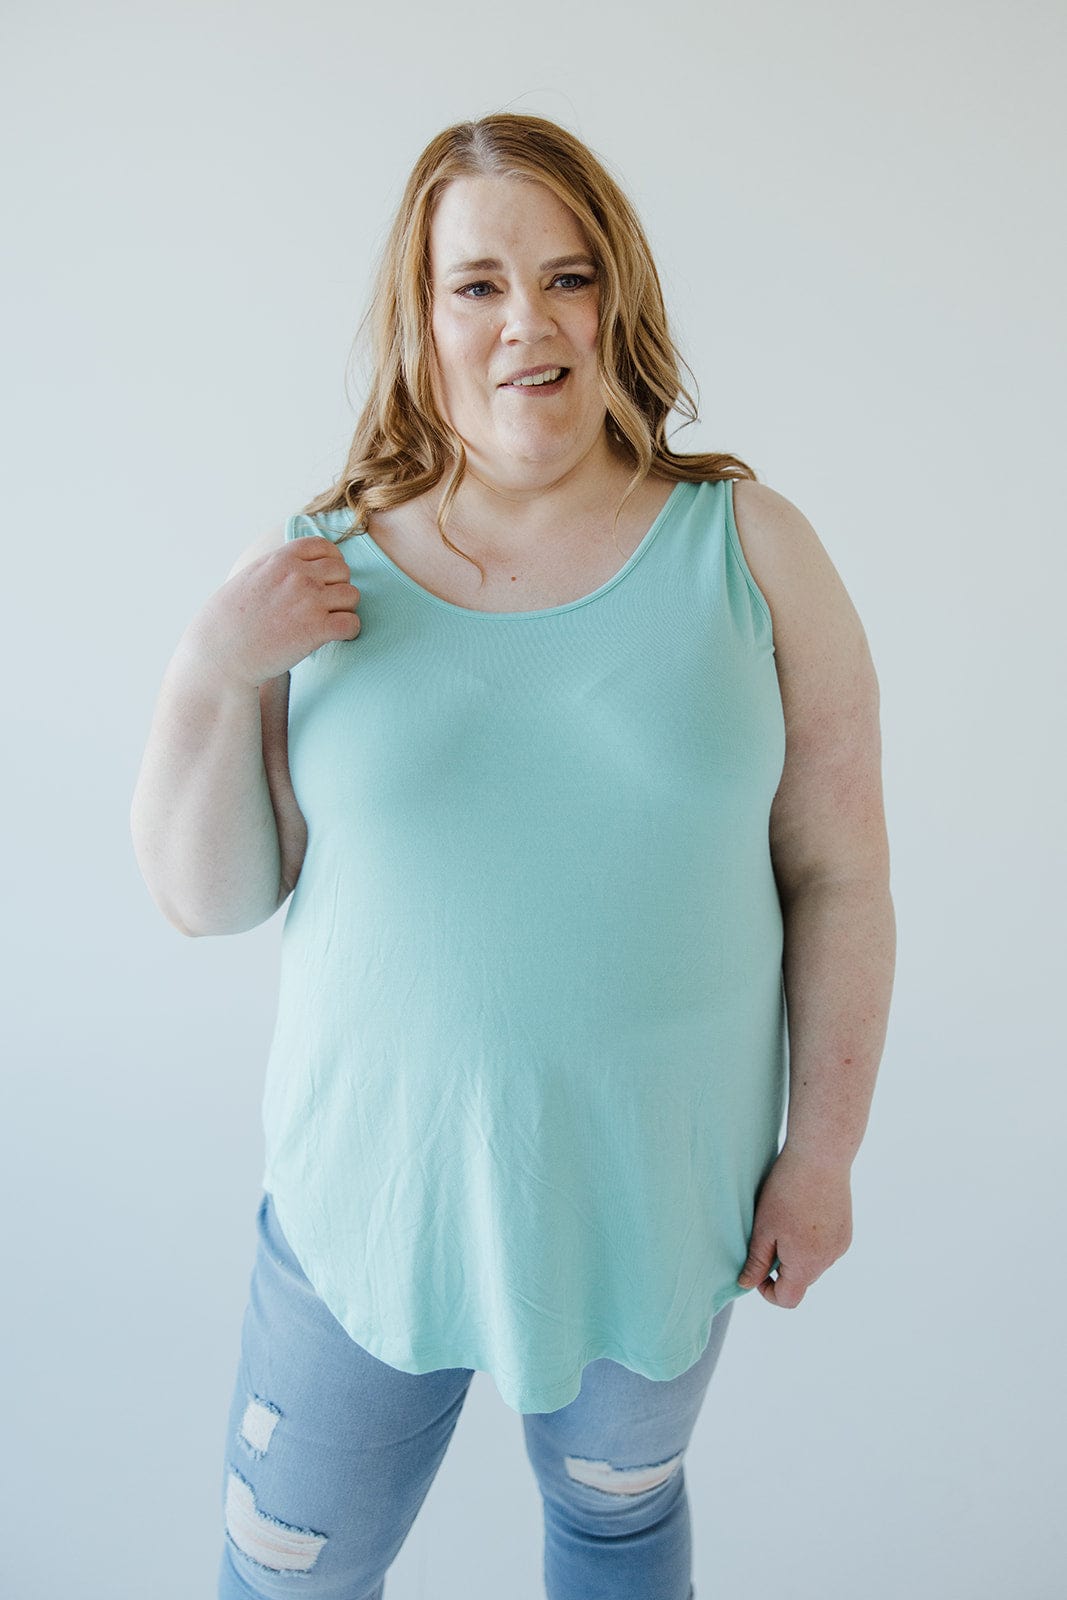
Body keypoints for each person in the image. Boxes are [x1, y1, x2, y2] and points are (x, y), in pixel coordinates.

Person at [130, 112, 896, 1600]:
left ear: (624, 297)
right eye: (475, 284)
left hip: (656, 1211)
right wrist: (208, 671)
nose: (526, 323)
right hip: (366, 1214)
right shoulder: (322, 569)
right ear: (420, 323)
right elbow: (208, 897)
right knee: (285, 1573)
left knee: (615, 1527)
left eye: (568, 274)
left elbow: (841, 876)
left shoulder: (754, 547)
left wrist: (825, 1156)